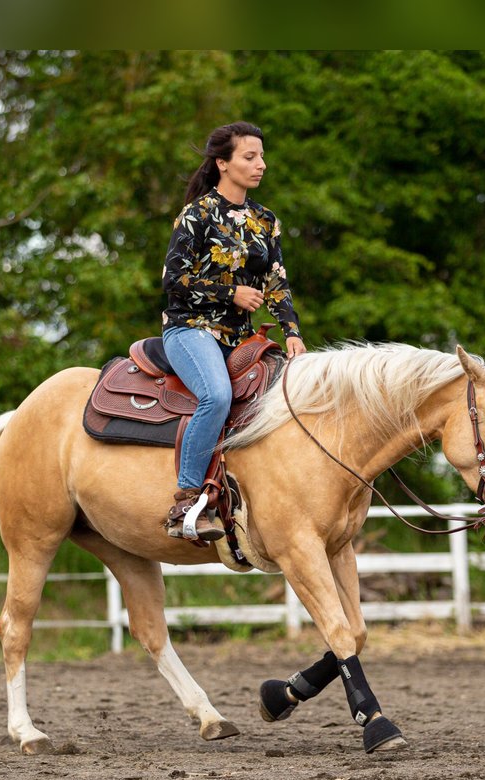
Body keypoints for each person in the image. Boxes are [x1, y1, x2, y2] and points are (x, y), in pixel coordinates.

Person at [161, 121, 306, 541]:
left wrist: (292, 332)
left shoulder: (265, 220)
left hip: (240, 338)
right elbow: (174, 280)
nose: (261, 164)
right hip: (190, 329)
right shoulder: (196, 215)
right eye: (249, 157)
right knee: (217, 395)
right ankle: (186, 500)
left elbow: (277, 282)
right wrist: (232, 293)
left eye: (261, 156)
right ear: (223, 163)